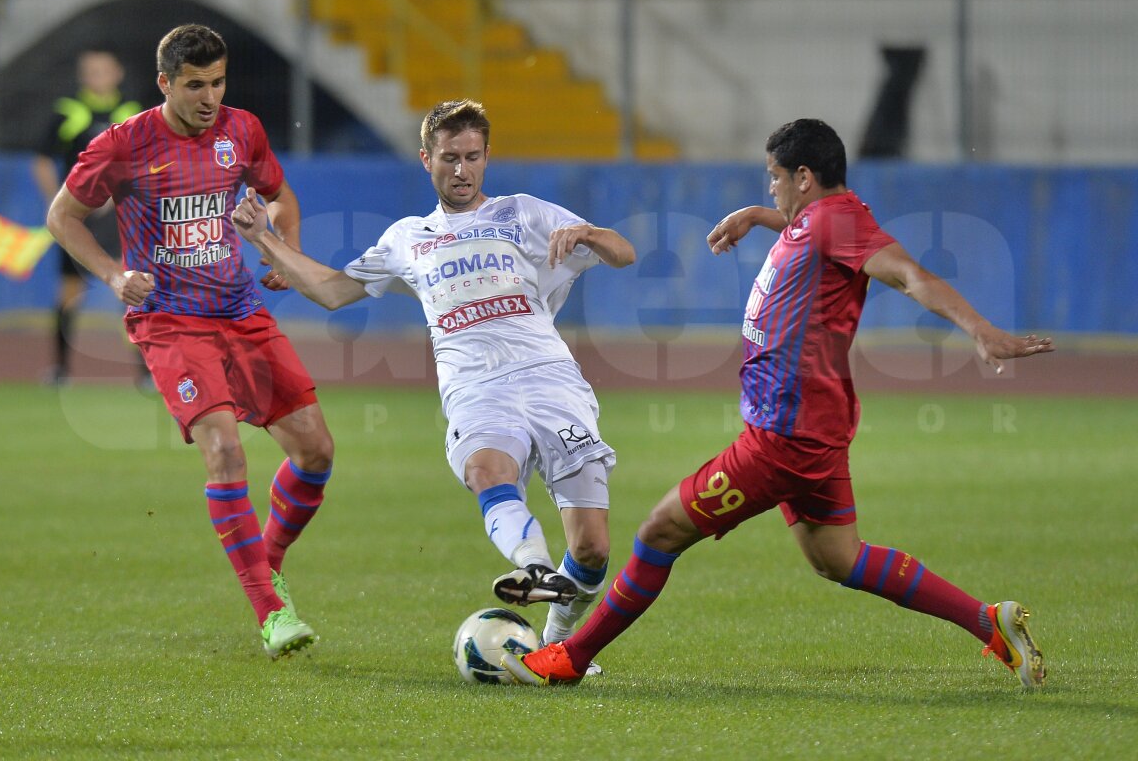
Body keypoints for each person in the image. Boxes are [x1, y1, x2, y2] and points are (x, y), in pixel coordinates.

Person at [502, 118, 1053, 689]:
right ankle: (989, 623)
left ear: (805, 177)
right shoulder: (817, 218)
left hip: (784, 438)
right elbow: (802, 227)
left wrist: (981, 330)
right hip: (811, 427)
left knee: (659, 533)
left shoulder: (840, 222)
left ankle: (567, 660)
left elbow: (912, 276)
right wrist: (760, 218)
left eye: (775, 179)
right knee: (838, 557)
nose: (771, 188)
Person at [231, 99, 636, 658]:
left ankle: (556, 643)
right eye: (450, 158)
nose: (462, 170)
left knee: (591, 548)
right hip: (474, 388)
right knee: (485, 468)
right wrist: (264, 240)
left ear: (487, 156)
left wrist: (588, 234)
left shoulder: (524, 212)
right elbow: (331, 290)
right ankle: (535, 567)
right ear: (427, 159)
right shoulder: (408, 237)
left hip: (550, 379)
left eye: (472, 157)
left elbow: (624, 252)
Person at [45, 24, 334, 659]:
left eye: (218, 82)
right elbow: (62, 216)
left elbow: (278, 194)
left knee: (316, 453)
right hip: (171, 323)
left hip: (239, 311)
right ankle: (270, 611)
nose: (210, 97)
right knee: (225, 451)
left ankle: (269, 561)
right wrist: (115, 275)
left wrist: (284, 250)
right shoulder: (123, 144)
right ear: (165, 84)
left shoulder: (243, 130)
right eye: (196, 85)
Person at [31, 48, 144, 386]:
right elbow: (41, 160)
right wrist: (59, 204)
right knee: (69, 293)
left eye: (103, 70)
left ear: (117, 73)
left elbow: (141, 162)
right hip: (77, 218)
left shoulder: (131, 113)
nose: (97, 77)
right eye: (91, 71)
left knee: (130, 289)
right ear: (83, 76)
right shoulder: (68, 112)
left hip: (118, 217)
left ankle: (147, 372)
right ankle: (61, 371)